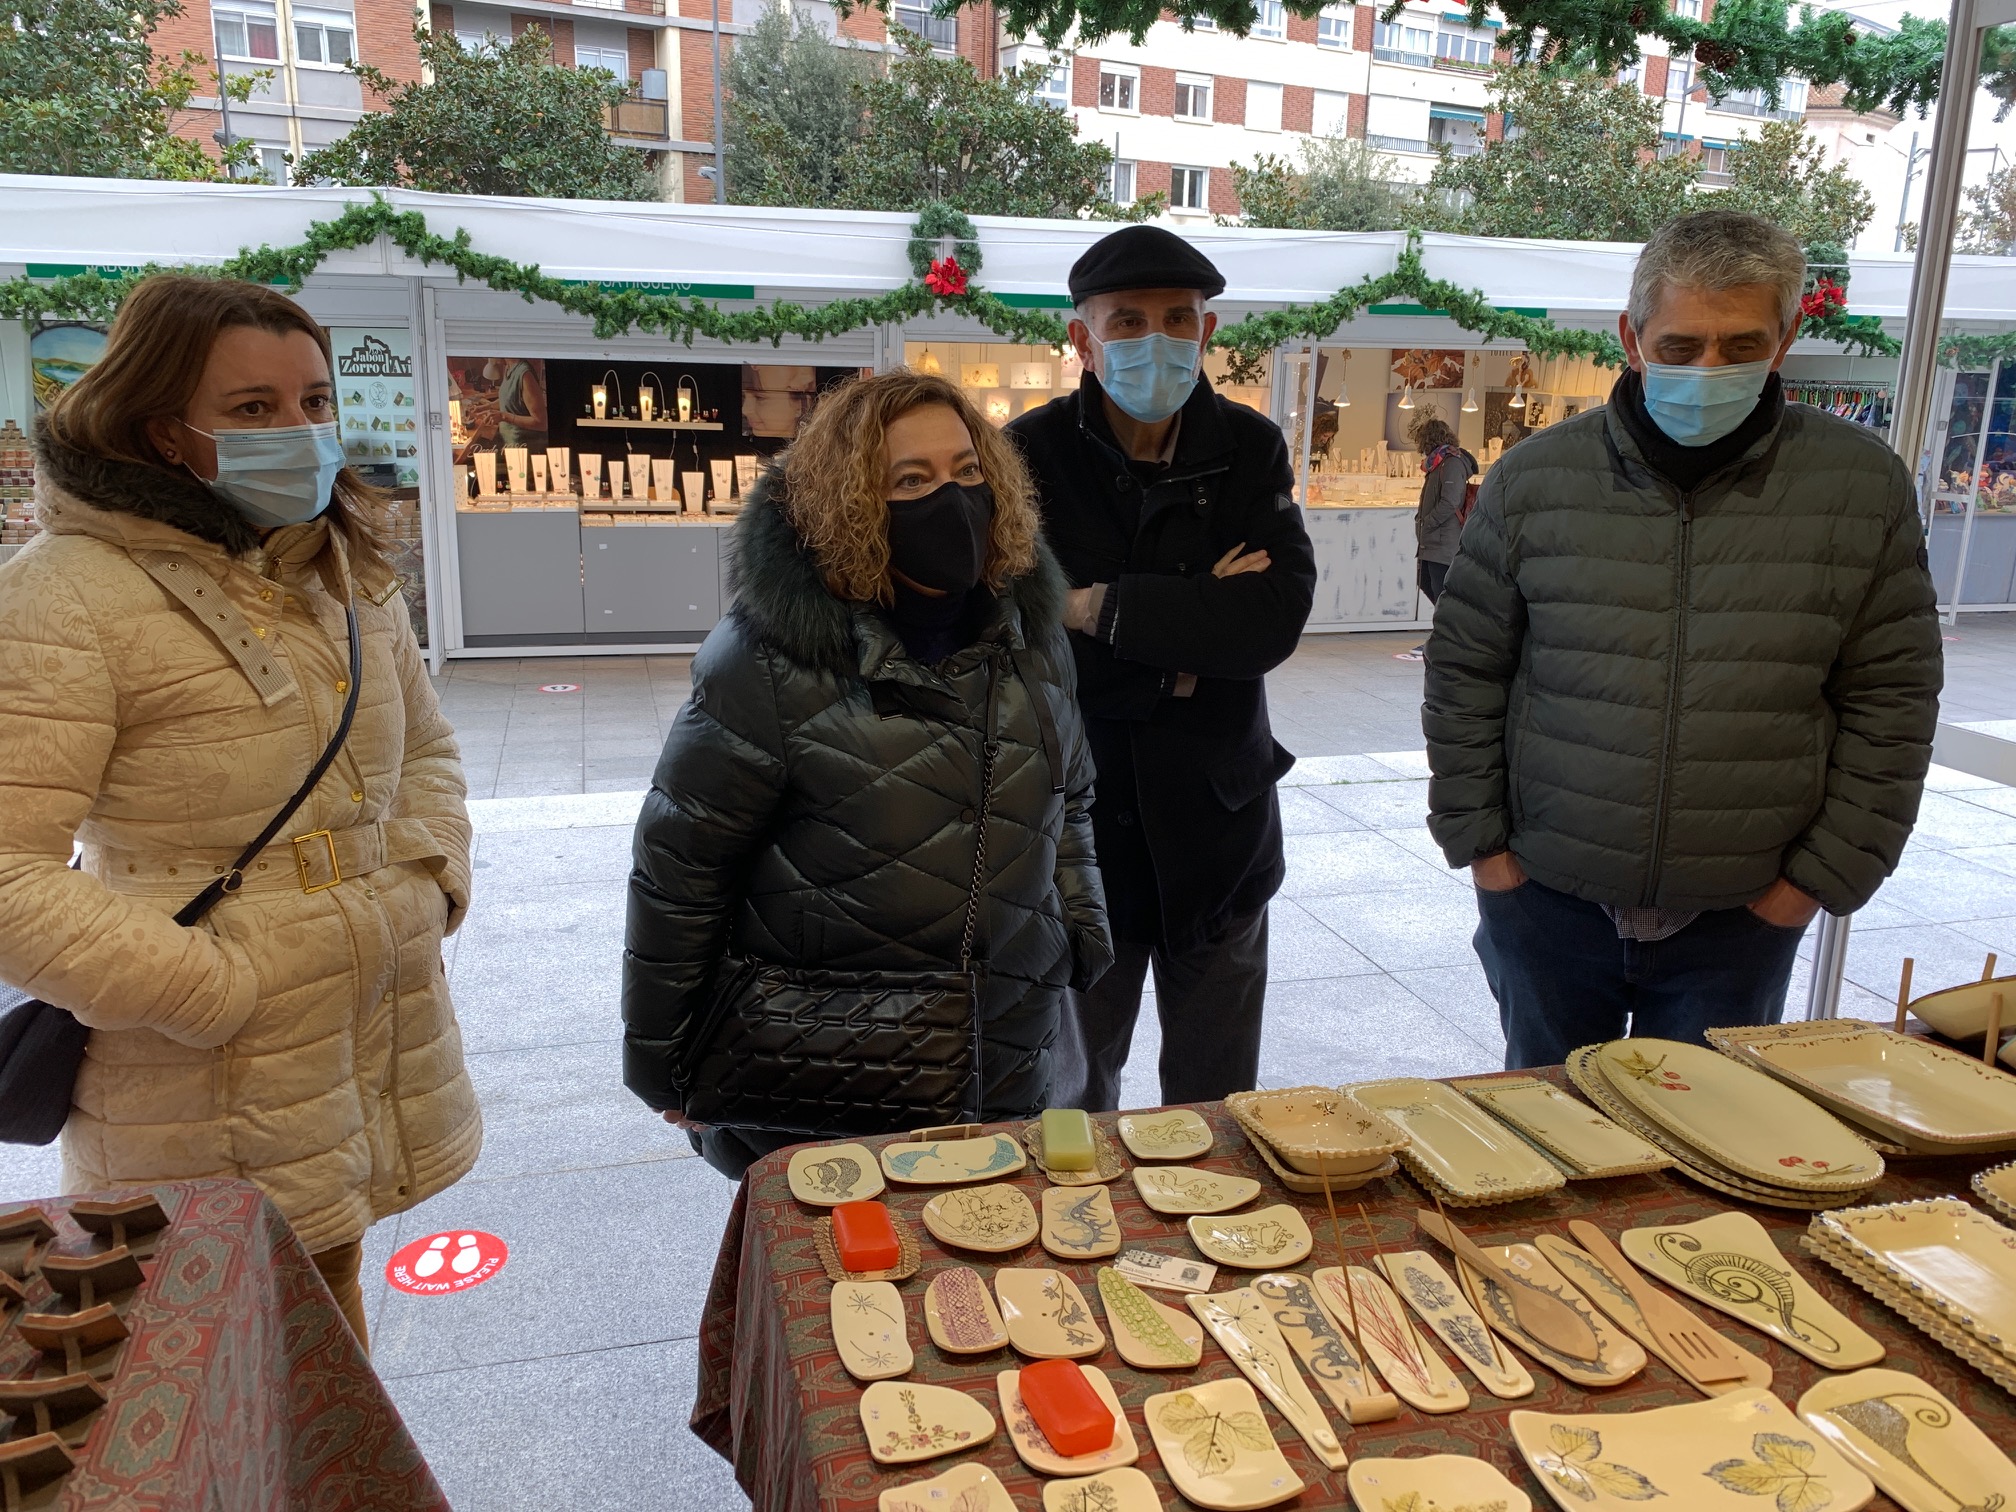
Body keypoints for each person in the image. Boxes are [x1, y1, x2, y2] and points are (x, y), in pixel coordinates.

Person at [0, 275, 481, 1347]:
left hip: (354, 1041)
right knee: (223, 1363)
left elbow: (431, 756)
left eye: (314, 403)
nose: (300, 432)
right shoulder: (64, 595)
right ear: (165, 430)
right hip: (191, 1071)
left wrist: (426, 881)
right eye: (253, 410)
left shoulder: (344, 574)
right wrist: (213, 988)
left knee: (329, 1314)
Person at [1424, 210, 1943, 1068]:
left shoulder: (1860, 486)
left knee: (1706, 1157)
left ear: (1785, 339)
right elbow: (1466, 674)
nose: (1709, 369)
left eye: (1741, 347)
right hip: (1548, 901)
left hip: (1742, 916)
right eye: (1680, 345)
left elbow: (1892, 700)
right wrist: (1484, 852)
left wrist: (1813, 884)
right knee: (1547, 1139)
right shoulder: (1535, 480)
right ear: (1632, 337)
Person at [622, 370, 1111, 1180]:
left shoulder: (1029, 632)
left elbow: (1074, 794)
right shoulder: (767, 659)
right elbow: (681, 872)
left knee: (981, 1287)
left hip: (1006, 1056)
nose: (949, 500)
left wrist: (1079, 932)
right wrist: (663, 1061)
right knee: (836, 1298)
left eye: (966, 471)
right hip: (830, 1070)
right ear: (851, 500)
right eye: (910, 480)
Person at [1007, 225, 1316, 1113]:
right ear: (1083, 339)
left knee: (1220, 1105)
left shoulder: (1249, 448)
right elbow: (1017, 634)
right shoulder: (1027, 457)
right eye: (1129, 321)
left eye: (1179, 319)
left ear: (1207, 332)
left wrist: (1094, 607)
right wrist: (1184, 636)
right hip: (1081, 839)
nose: (1157, 340)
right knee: (1074, 1102)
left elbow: (1268, 624)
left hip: (1220, 832)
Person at [1395, 415, 1476, 663]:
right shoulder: (1438, 463)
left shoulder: (1451, 463)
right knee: (1427, 583)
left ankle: (1447, 638)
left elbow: (1450, 501)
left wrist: (1426, 523)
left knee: (1441, 590)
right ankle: (1445, 635)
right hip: (1433, 539)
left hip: (1444, 539)